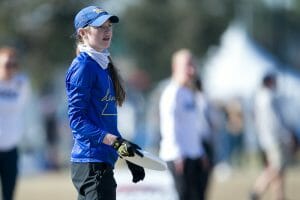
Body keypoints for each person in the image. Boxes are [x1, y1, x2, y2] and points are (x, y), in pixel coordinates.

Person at [65, 6, 145, 200]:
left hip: (101, 162)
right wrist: (113, 141)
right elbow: (77, 121)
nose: (107, 30)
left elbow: (104, 123)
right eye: (100, 26)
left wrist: (127, 152)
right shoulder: (84, 67)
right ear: (83, 33)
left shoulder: (103, 65)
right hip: (91, 162)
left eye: (109, 26)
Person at [159, 49, 209, 200]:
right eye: (187, 65)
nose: (192, 70)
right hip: (178, 157)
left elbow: (193, 127)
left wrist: (200, 152)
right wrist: (178, 155)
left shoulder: (189, 93)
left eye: (193, 65)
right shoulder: (172, 93)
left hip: (193, 155)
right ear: (175, 67)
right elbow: (169, 126)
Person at [250, 73, 292, 200]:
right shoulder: (269, 97)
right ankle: (255, 192)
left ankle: (279, 196)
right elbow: (275, 121)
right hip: (274, 139)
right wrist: (286, 135)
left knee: (278, 171)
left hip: (266, 139)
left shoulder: (259, 97)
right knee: (276, 169)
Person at [0, 46, 32, 200]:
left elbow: (23, 107)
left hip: (11, 147)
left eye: (14, 65)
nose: (10, 69)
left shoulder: (22, 83)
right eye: (6, 65)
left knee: (9, 193)